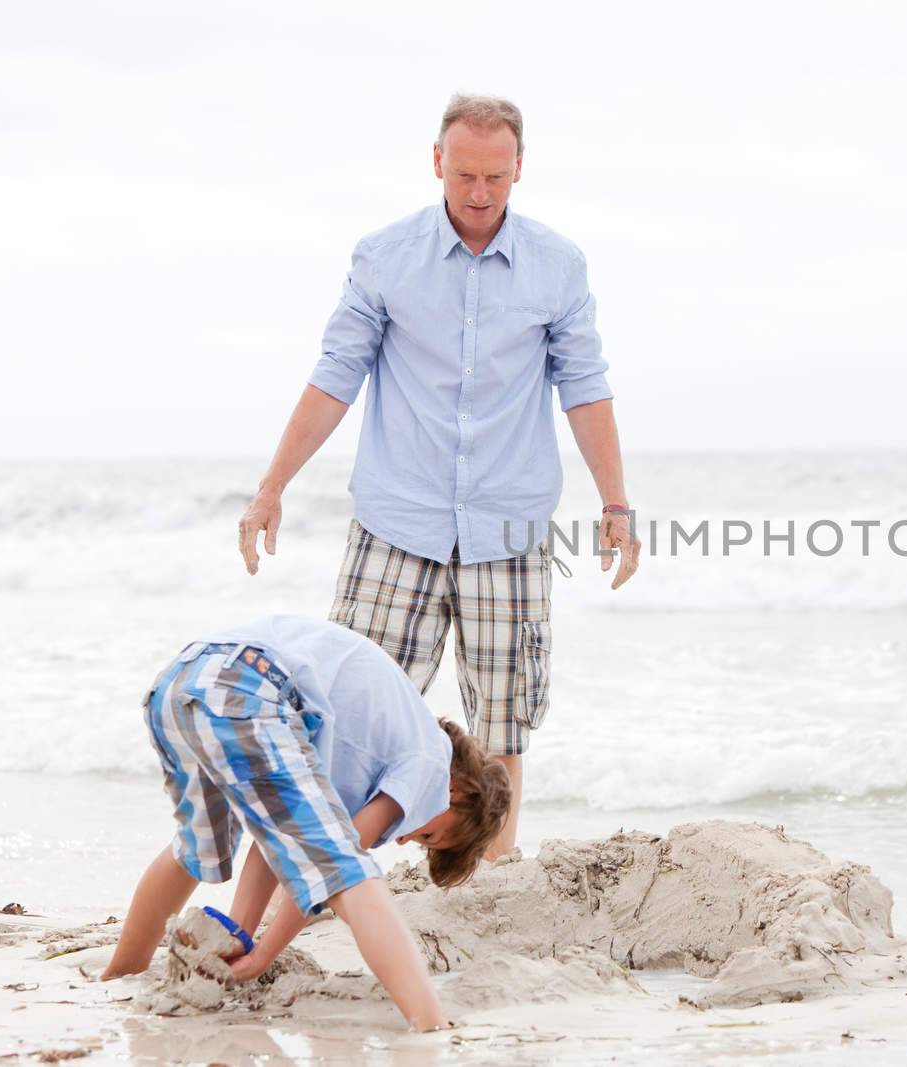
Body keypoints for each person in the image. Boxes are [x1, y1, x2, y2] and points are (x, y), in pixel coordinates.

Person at [236, 93, 639, 861]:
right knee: (345, 710)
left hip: (509, 528)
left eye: (495, 176)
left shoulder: (558, 265)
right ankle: (329, 871)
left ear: (519, 169)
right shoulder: (385, 257)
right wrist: (272, 485)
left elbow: (585, 386)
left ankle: (490, 879)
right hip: (396, 521)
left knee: (504, 719)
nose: (479, 193)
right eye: (464, 175)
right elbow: (335, 377)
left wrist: (615, 502)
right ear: (436, 163)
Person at [97, 615, 512, 1031]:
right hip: (250, 688)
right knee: (348, 871)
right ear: (459, 794)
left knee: (196, 849)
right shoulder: (430, 764)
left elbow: (274, 841)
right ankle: (430, 1023)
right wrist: (263, 955)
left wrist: (240, 934)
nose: (406, 840)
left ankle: (119, 974)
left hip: (181, 683)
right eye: (429, 835)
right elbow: (330, 870)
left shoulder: (382, 739)